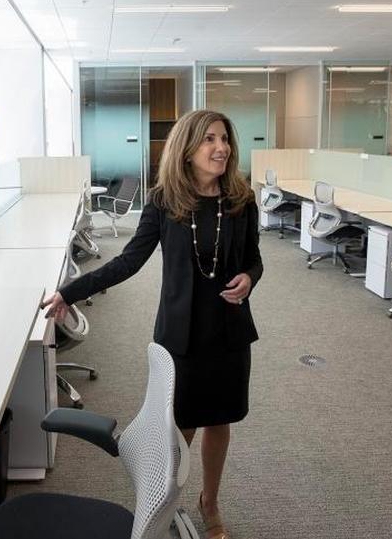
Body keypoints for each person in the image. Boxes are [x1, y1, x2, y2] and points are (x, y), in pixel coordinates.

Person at [42, 109, 262, 539]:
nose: (221, 148)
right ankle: (167, 503)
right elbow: (129, 261)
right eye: (209, 140)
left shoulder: (241, 200)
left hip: (229, 331)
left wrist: (250, 278)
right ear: (187, 149)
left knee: (221, 421)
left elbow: (254, 257)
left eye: (225, 139)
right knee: (178, 427)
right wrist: (70, 290)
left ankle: (210, 501)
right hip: (182, 333)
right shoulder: (165, 202)